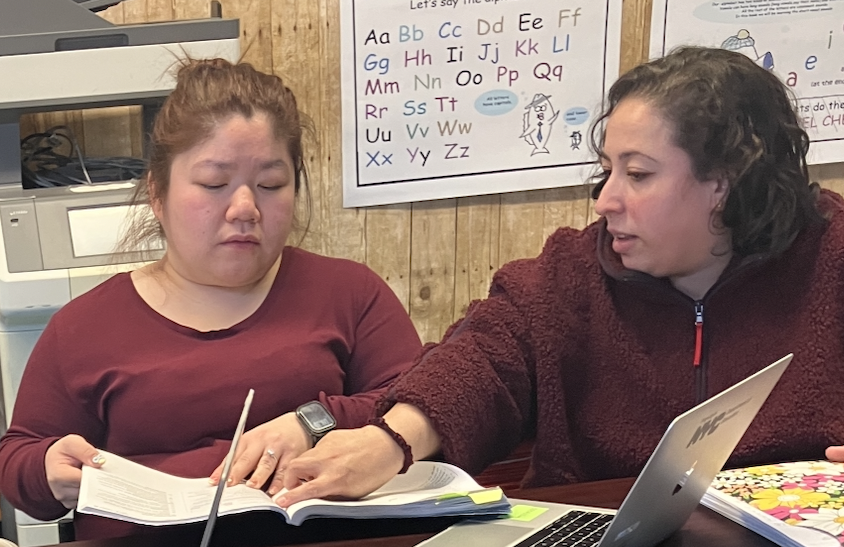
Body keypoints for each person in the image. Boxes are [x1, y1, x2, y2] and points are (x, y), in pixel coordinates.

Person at [275, 46, 844, 508]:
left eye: (638, 174)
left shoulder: (831, 258)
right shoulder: (569, 276)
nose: (606, 201)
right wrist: (391, 441)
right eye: (607, 170)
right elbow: (480, 361)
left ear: (725, 179)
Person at [0, 58, 421, 539]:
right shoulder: (83, 326)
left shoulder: (349, 292)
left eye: (270, 185)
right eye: (214, 184)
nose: (245, 208)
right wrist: (47, 467)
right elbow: (18, 462)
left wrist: (314, 422)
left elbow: (423, 405)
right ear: (157, 193)